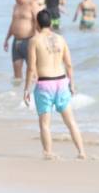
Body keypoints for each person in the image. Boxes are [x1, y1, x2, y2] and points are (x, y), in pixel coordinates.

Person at [25, 11, 86, 159]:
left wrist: (27, 88)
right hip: (61, 82)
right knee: (71, 121)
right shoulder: (61, 39)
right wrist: (72, 84)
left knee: (45, 124)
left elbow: (31, 67)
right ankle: (81, 152)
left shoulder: (34, 40)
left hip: (45, 84)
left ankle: (48, 153)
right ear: (51, 23)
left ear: (37, 24)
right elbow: (69, 64)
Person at [4, 0, 39, 82]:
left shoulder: (32, 4)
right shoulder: (15, 6)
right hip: (16, 42)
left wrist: (37, 37)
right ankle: (17, 95)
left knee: (33, 71)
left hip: (29, 41)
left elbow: (37, 21)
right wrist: (7, 39)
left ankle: (33, 94)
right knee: (17, 76)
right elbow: (13, 23)